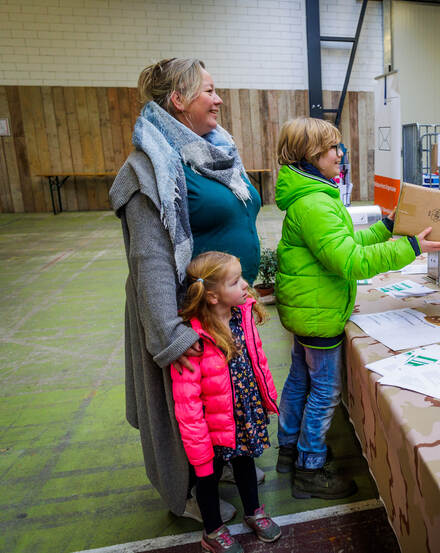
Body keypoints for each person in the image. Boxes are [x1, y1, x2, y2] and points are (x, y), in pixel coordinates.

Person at [109, 58, 262, 522]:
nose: (218, 99)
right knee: (189, 417)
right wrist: (173, 338)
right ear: (178, 100)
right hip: (188, 318)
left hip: (226, 310)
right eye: (208, 91)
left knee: (224, 401)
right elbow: (150, 262)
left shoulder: (214, 153)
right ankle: (192, 493)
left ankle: (223, 463)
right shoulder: (148, 168)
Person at [273, 117, 440, 499]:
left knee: (299, 381)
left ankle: (289, 450)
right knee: (324, 391)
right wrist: (412, 248)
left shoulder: (311, 196)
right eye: (333, 149)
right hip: (318, 314)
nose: (340, 155)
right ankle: (309, 466)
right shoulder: (316, 203)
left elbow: (345, 240)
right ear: (311, 155)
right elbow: (350, 261)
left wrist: (388, 227)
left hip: (307, 309)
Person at [172, 251, 280, 553]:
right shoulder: (192, 339)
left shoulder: (242, 316)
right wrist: (197, 443)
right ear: (213, 297)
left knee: (246, 462)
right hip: (211, 427)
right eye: (235, 282)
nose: (245, 285)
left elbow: (258, 360)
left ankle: (253, 511)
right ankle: (213, 531)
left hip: (244, 414)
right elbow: (186, 399)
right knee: (208, 477)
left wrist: (265, 397)